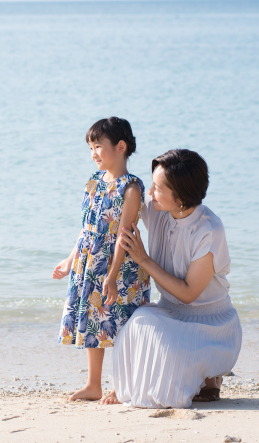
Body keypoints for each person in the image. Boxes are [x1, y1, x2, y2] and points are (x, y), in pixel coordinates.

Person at [103, 149, 242, 408]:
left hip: (212, 325)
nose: (150, 193)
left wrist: (144, 260)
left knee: (169, 388)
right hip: (169, 313)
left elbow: (189, 294)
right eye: (152, 184)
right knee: (138, 323)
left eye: (157, 188)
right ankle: (129, 385)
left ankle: (211, 375)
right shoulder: (156, 209)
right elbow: (122, 204)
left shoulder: (209, 229)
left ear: (180, 197)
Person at [52, 117, 151, 401]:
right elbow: (87, 227)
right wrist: (71, 259)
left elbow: (124, 233)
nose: (93, 153)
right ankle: (94, 384)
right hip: (89, 261)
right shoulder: (94, 181)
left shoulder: (131, 188)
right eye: (90, 147)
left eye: (98, 146)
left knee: (118, 322)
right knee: (94, 321)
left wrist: (112, 275)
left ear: (121, 146)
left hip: (120, 265)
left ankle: (121, 387)